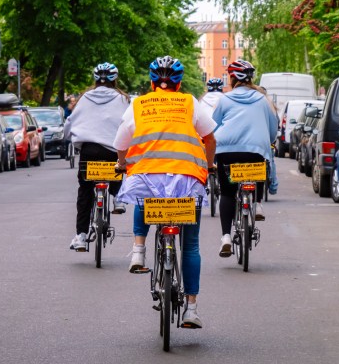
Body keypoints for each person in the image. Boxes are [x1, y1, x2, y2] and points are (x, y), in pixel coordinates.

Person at [113, 56, 216, 329]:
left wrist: (122, 164)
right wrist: (209, 164)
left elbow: (121, 141)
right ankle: (191, 309)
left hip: (150, 177)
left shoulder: (139, 104)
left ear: (151, 82)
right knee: (191, 245)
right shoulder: (189, 102)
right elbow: (210, 137)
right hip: (186, 179)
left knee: (143, 193)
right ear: (179, 84)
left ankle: (138, 250)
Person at [212, 60, 278, 257]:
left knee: (227, 192)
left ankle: (225, 237)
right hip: (255, 150)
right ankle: (256, 203)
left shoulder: (224, 100)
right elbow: (273, 128)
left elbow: (213, 126)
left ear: (232, 79)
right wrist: (269, 140)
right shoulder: (262, 99)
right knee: (257, 170)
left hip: (227, 151)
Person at [63, 63, 130, 251]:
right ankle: (118, 198)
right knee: (119, 164)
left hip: (89, 150)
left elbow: (70, 121)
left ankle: (81, 236)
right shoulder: (123, 99)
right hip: (112, 150)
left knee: (85, 190)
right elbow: (129, 124)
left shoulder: (84, 98)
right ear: (115, 80)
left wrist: (68, 138)